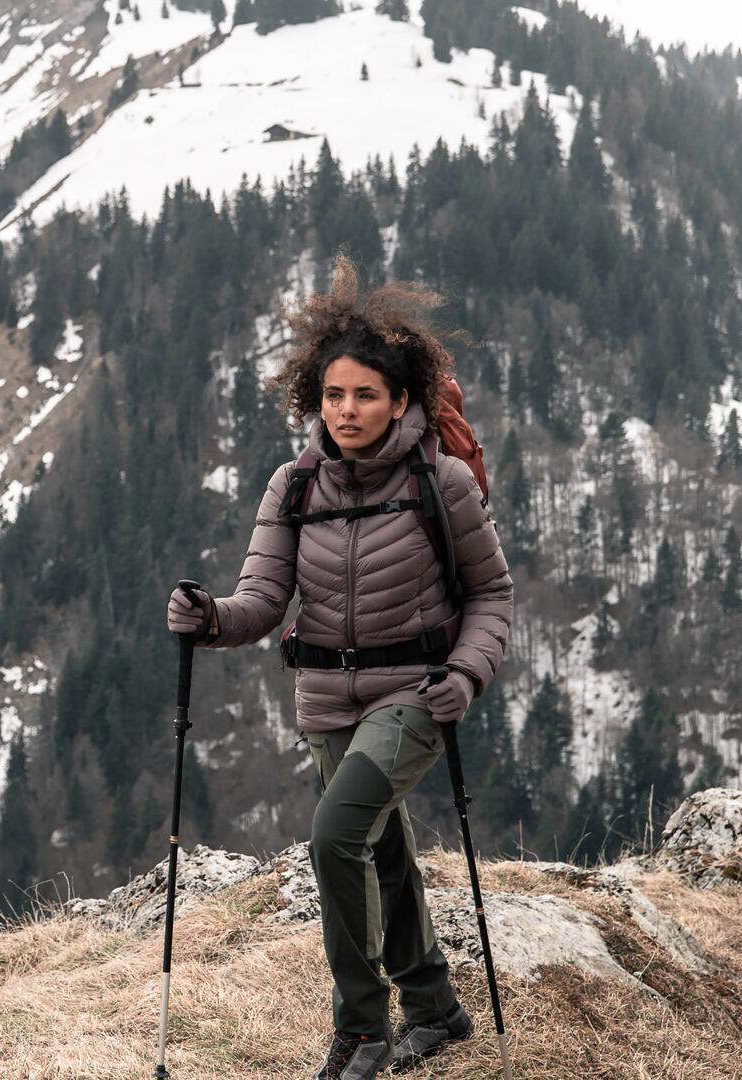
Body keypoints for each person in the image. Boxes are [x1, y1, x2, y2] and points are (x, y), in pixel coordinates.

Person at [166, 256, 514, 1079]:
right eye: (333, 395)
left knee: (334, 835)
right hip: (325, 696)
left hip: (417, 692)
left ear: (401, 400)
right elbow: (261, 600)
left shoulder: (444, 483)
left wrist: (462, 679)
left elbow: (492, 595)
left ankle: (362, 1030)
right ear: (313, 401)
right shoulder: (292, 487)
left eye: (365, 394)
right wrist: (211, 617)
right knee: (380, 848)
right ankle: (434, 1008)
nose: (348, 410)